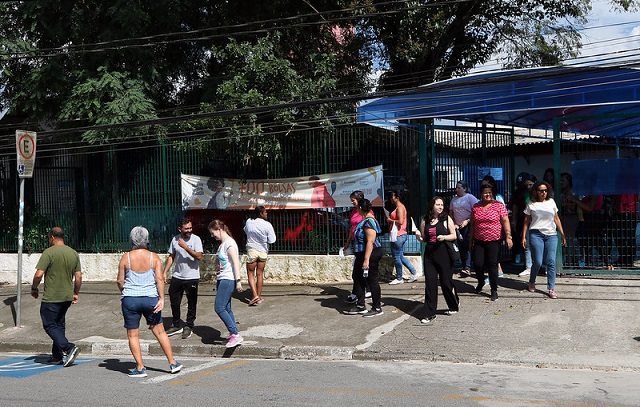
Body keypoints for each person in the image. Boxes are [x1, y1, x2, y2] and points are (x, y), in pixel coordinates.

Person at [117, 226, 182, 377]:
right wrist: (161, 298)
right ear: (146, 239)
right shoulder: (154, 257)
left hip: (130, 299)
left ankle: (140, 368)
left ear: (131, 239)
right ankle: (172, 363)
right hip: (150, 298)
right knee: (159, 331)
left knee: (133, 335)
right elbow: (160, 279)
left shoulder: (126, 258)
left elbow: (120, 281)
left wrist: (126, 292)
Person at [31, 227, 82, 367]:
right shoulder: (73, 253)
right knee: (58, 324)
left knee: (49, 324)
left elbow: (38, 274)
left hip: (52, 297)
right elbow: (78, 276)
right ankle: (57, 356)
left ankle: (68, 347)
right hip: (66, 296)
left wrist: (34, 288)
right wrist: (75, 292)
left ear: (52, 237)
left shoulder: (49, 252)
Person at [416, 196, 460, 324]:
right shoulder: (425, 220)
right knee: (430, 284)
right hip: (430, 255)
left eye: (442, 205)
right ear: (432, 206)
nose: (440, 207)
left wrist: (444, 237)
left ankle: (453, 304)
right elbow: (424, 238)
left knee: (446, 282)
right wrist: (419, 237)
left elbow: (453, 235)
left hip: (444, 254)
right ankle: (429, 313)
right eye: (438, 204)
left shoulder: (446, 218)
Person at [521, 181, 566, 298]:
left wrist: (562, 234)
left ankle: (551, 288)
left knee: (551, 261)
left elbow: (556, 218)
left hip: (551, 234)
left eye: (546, 190)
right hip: (536, 234)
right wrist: (523, 236)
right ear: (536, 191)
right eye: (541, 191)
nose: (544, 193)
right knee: (538, 261)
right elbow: (526, 221)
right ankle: (532, 281)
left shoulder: (551, 202)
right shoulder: (531, 204)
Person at [469, 184, 513, 301]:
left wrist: (508, 236)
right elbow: (473, 225)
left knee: (492, 264)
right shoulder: (476, 207)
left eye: (490, 192)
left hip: (494, 240)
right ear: (481, 194)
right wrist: (470, 240)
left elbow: (505, 221)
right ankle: (481, 281)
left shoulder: (499, 206)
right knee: (478, 264)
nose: (488, 194)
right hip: (479, 240)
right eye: (485, 192)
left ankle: (494, 290)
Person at [163, 218, 203, 340]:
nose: (189, 230)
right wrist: (164, 272)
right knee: (174, 301)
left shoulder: (196, 239)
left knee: (191, 302)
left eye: (190, 228)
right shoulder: (175, 239)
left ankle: (189, 325)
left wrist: (186, 247)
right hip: (177, 276)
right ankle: (176, 324)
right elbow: (171, 256)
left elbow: (199, 256)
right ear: (180, 229)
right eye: (186, 229)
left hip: (192, 276)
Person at [344, 198, 384, 317]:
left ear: (360, 208)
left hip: (371, 254)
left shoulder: (369, 222)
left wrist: (366, 260)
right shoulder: (363, 220)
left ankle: (377, 307)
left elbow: (370, 241)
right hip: (361, 254)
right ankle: (360, 305)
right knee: (357, 277)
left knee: (372, 280)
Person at [209, 219, 245, 347]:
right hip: (222, 279)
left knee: (219, 307)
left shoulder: (229, 243)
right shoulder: (222, 244)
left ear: (219, 229)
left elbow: (235, 263)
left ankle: (235, 334)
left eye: (213, 233)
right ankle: (233, 335)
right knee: (227, 308)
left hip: (228, 279)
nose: (213, 236)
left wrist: (238, 281)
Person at [244, 206, 276, 305]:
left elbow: (246, 231)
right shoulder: (267, 225)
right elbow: (272, 240)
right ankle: (258, 295)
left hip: (252, 250)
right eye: (265, 212)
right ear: (261, 213)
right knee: (260, 274)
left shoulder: (249, 222)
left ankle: (255, 295)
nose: (267, 214)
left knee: (250, 273)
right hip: (263, 251)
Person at [343, 190, 372, 304]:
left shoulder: (367, 215)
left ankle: (358, 297)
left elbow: (370, 237)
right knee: (358, 273)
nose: (352, 202)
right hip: (357, 245)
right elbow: (352, 228)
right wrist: (348, 242)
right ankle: (359, 294)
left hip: (363, 246)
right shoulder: (354, 212)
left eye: (353, 200)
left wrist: (366, 258)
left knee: (358, 273)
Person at [386, 189, 418, 284]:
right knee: (400, 256)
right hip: (401, 234)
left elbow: (400, 221)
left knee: (396, 257)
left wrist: (390, 220)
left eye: (392, 196)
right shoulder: (400, 207)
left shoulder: (399, 208)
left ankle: (399, 278)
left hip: (398, 234)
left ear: (397, 198)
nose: (391, 198)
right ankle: (414, 272)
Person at [449, 180, 478, 277]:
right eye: (456, 187)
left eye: (459, 188)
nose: (457, 189)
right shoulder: (454, 199)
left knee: (467, 245)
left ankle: (468, 267)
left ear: (464, 188)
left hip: (468, 225)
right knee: (460, 246)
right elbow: (451, 213)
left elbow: (476, 212)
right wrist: (454, 224)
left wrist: (467, 221)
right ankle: (464, 266)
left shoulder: (470, 198)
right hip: (458, 227)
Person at [480, 175, 506, 278]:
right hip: (483, 230)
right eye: (483, 185)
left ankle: (498, 266)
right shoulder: (480, 199)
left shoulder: (498, 197)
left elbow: (503, 214)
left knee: (496, 250)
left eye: (487, 185)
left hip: (496, 229)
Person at [559, 173, 579, 267]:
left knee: (568, 240)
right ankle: (571, 261)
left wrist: (562, 204)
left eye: (563, 181)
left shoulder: (571, 191)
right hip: (564, 216)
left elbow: (573, 206)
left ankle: (570, 262)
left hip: (571, 217)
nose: (561, 182)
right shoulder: (563, 191)